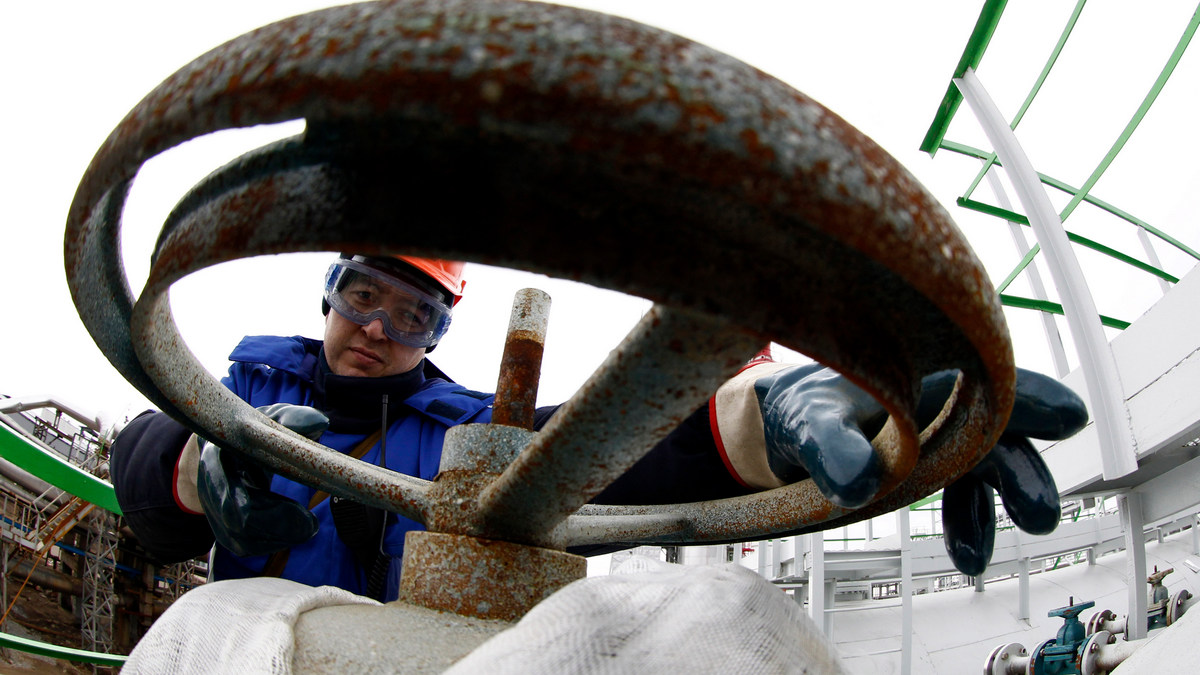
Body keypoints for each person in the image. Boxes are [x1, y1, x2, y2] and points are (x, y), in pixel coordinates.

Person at [109, 253, 1087, 601]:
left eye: (413, 317)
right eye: (361, 298)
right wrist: (202, 462)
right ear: (327, 289)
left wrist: (766, 416)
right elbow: (144, 479)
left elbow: (626, 448)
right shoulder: (239, 392)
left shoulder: (471, 433)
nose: (375, 331)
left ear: (441, 332)